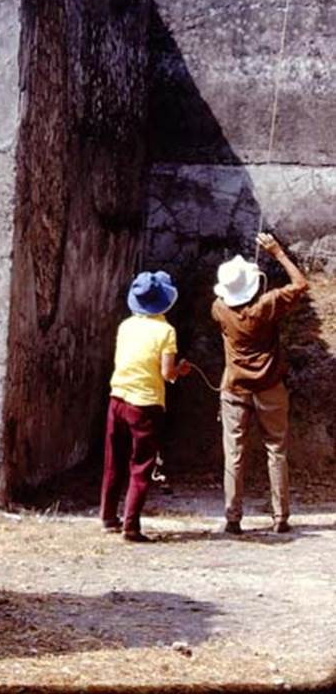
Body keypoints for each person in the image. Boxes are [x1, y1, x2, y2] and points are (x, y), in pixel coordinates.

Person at [212, 232, 309, 535]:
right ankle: (280, 517)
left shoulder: (219, 308)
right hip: (269, 387)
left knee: (234, 453)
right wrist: (278, 252)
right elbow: (301, 284)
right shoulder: (267, 305)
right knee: (276, 449)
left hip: (234, 388)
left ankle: (233, 516)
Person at [100, 270, 191, 542]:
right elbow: (167, 373)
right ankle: (131, 525)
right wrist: (181, 370)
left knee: (113, 460)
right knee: (140, 465)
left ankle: (107, 517)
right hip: (146, 404)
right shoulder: (166, 331)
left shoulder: (126, 326)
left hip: (118, 397)